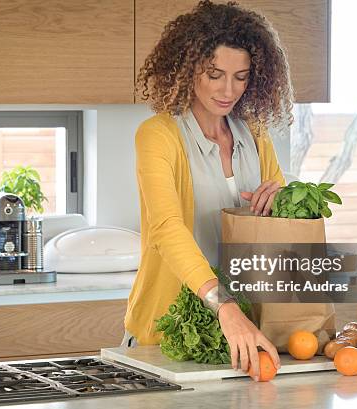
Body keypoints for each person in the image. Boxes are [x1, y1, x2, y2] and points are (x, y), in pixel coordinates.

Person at [122, 0, 294, 381]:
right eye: (215, 74)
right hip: (168, 333)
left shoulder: (256, 134)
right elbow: (167, 228)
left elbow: (280, 220)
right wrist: (224, 305)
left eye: (241, 76)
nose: (228, 89)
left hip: (244, 334)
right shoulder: (159, 136)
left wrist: (281, 202)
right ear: (188, 69)